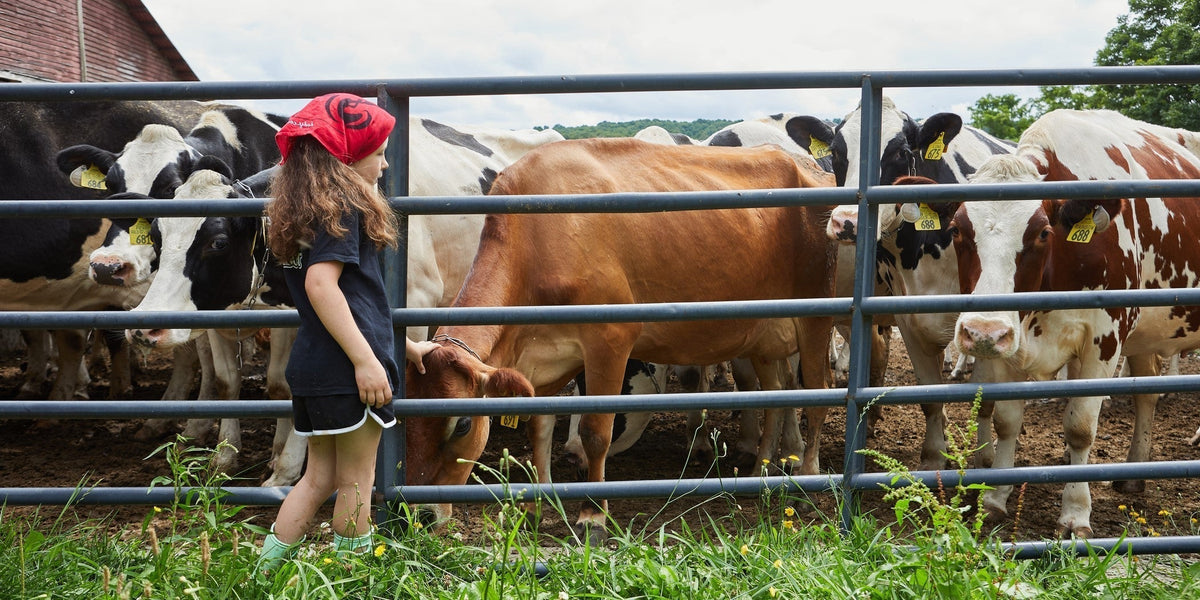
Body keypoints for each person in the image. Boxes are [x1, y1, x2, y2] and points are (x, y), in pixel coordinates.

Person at [256, 92, 437, 575]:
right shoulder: (342, 208)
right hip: (348, 369)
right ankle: (354, 580)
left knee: (318, 479)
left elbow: (352, 301)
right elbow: (323, 285)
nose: (384, 163)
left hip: (315, 365)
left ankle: (261, 575)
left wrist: (403, 344)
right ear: (346, 157)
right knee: (358, 481)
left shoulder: (300, 212)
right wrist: (366, 360)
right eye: (377, 153)